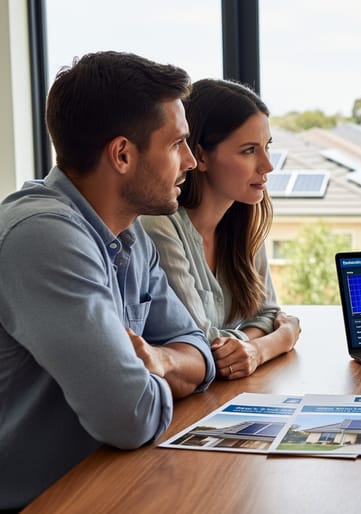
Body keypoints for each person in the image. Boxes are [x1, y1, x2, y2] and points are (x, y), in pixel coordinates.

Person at [0, 51, 215, 510]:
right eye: (177, 144)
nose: (192, 163)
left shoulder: (128, 231)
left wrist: (156, 360)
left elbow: (198, 350)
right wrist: (159, 376)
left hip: (109, 480)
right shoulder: (43, 236)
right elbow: (129, 416)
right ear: (122, 154)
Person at [141, 79, 300, 381]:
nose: (267, 165)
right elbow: (203, 345)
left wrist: (250, 349)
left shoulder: (244, 221)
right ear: (199, 156)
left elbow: (266, 313)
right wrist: (277, 341)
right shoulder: (158, 226)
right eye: (248, 151)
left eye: (266, 147)